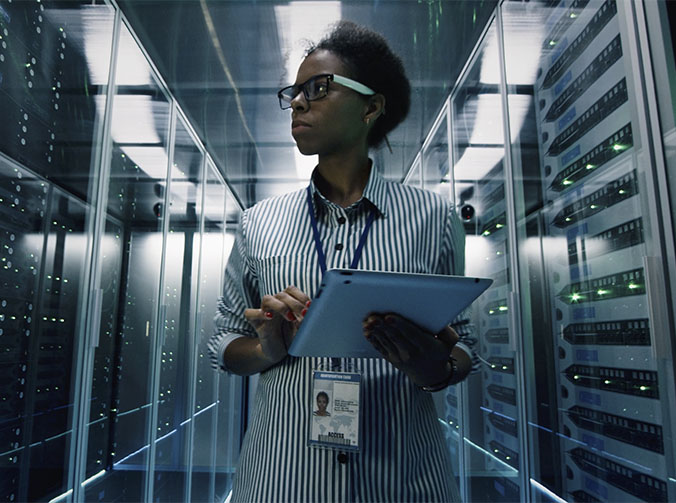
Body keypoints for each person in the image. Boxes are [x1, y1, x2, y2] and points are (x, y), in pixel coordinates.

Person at [209, 20, 476, 502]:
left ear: (371, 107)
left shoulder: (433, 217)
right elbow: (223, 341)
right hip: (282, 480)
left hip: (403, 482)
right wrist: (267, 349)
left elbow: (466, 344)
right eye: (294, 91)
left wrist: (436, 368)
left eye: (319, 88)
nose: (298, 102)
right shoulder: (258, 223)